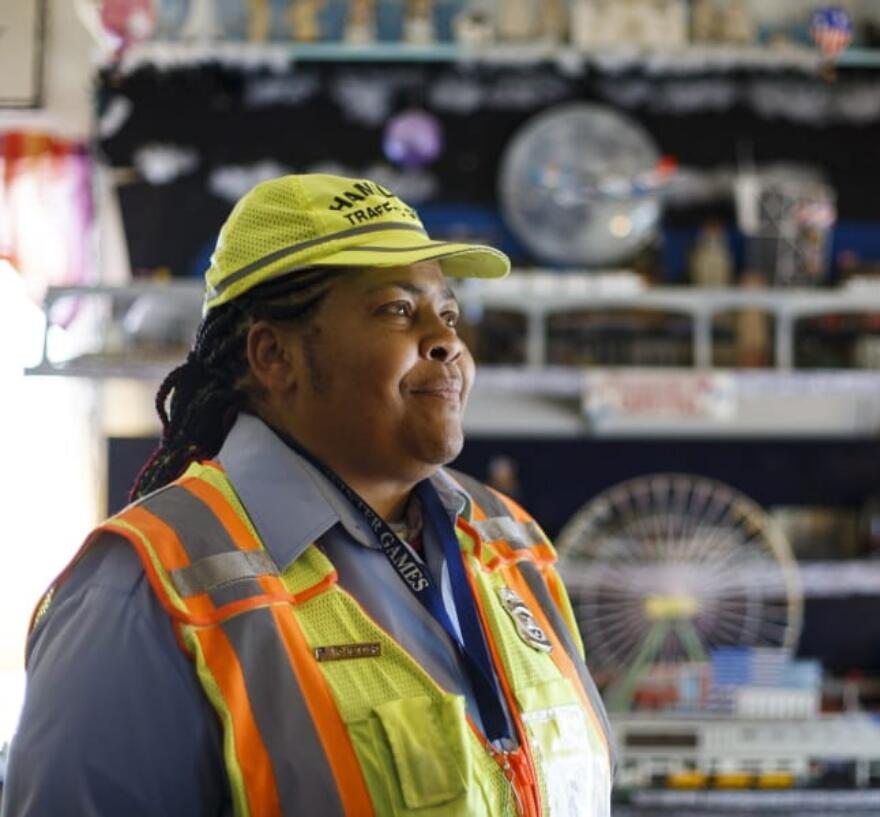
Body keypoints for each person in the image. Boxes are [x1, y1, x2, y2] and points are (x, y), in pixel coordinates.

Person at [1, 174, 613, 817]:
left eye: (449, 313)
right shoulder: (145, 591)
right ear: (274, 355)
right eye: (398, 310)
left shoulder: (510, 542)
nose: (448, 341)